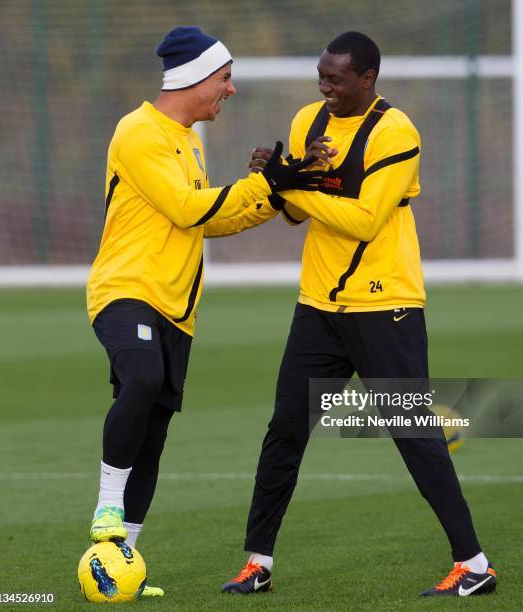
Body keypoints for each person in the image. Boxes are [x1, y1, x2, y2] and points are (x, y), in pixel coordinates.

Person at [218, 32, 497, 598]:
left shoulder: (396, 131)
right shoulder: (307, 122)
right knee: (285, 432)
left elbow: (365, 218)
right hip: (318, 306)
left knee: (413, 433)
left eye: (336, 80)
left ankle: (474, 565)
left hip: (385, 305)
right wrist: (278, 183)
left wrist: (292, 185)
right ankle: (258, 562)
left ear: (366, 80)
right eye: (321, 76)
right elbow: (294, 215)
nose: (324, 87)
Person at [85, 25, 321, 598]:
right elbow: (190, 209)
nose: (231, 90)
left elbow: (211, 219)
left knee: (155, 432)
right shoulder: (138, 131)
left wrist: (274, 193)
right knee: (140, 378)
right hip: (126, 289)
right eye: (224, 78)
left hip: (177, 309)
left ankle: (121, 563)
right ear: (193, 78)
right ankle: (106, 514)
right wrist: (265, 180)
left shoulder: (188, 140)